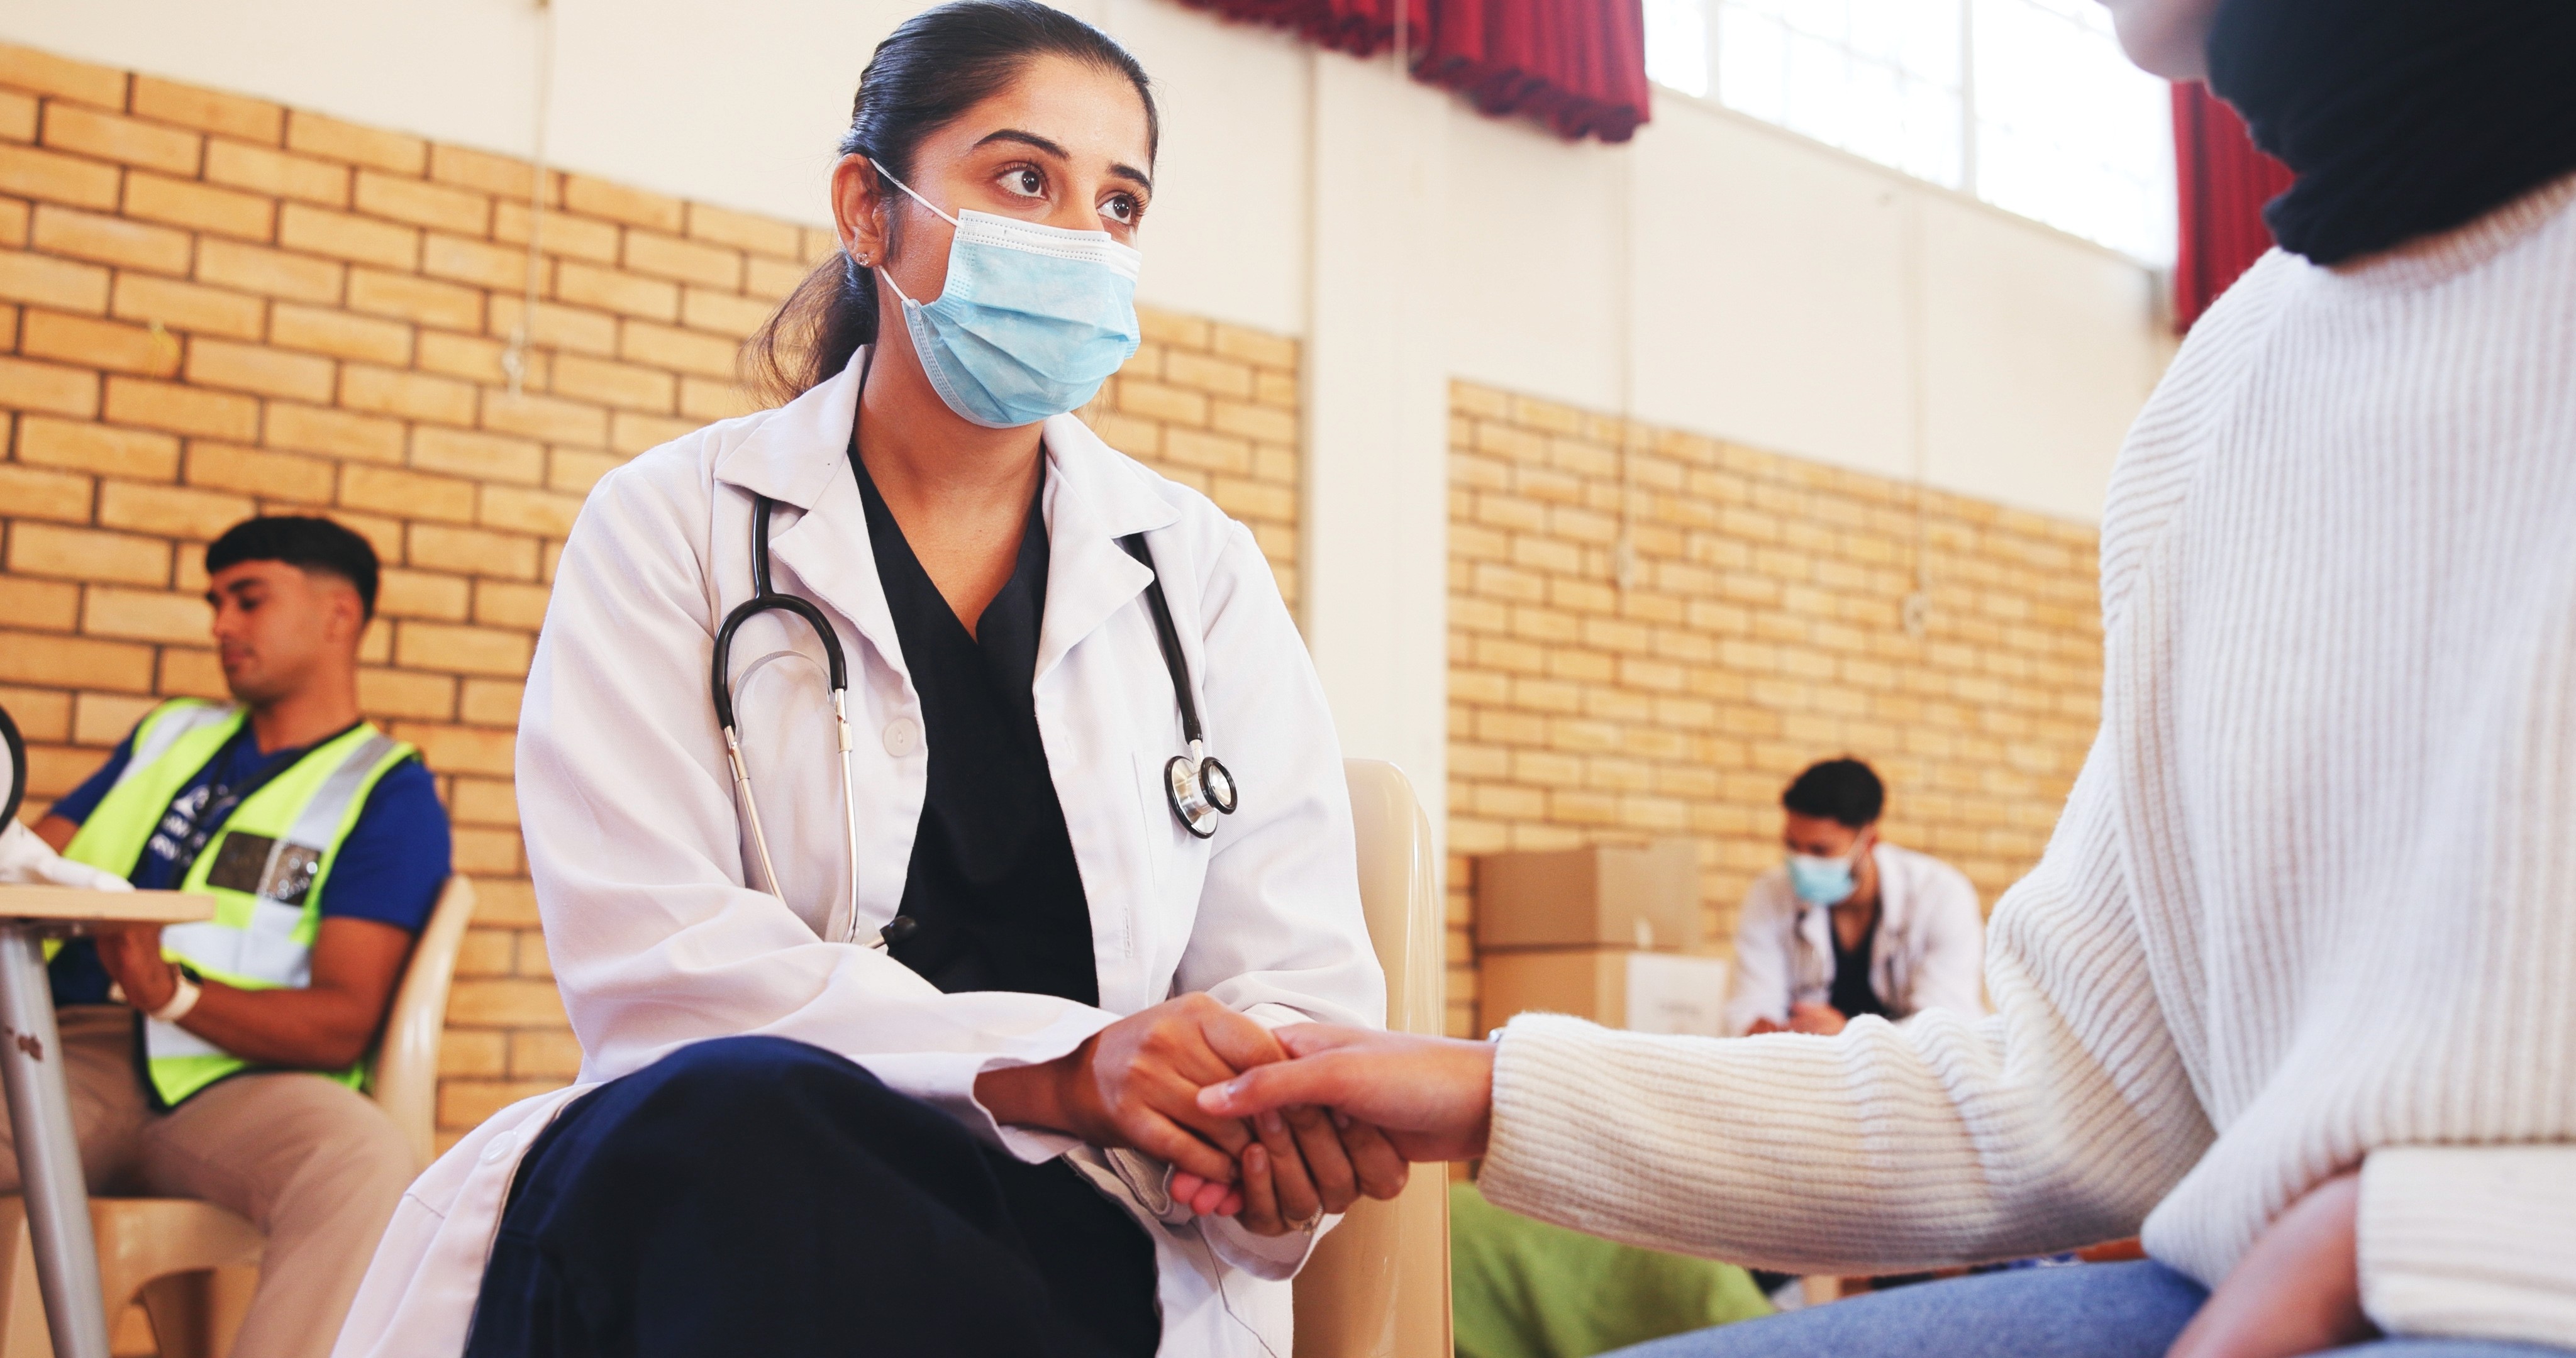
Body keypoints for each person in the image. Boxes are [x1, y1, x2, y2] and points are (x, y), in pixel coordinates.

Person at [1197, 0, 2576, 1355]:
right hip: (2247, 1277)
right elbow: (2063, 1098)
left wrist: (2447, 1231)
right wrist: (1488, 1087)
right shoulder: (2222, 388)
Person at [333, 6, 1402, 1357]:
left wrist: (1261, 1114)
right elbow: (656, 964)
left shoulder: (1196, 571)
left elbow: (1292, 975)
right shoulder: (673, 525)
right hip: (735, 1191)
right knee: (744, 1127)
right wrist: (1062, 1070)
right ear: (867, 209)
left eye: (1119, 203)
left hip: (1101, 1232)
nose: (1080, 237)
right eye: (1025, 179)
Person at [0, 516, 448, 1358]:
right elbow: (27, 858)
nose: (220, 625)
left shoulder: (388, 792)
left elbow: (342, 1023)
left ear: (339, 615)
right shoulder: (170, 735)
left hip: (238, 1086)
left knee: (363, 1159)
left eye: (248, 600)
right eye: (215, 603)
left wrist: (173, 993)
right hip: (65, 1055)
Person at [1728, 758, 1983, 1038]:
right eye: (1792, 845)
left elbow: (1945, 1026)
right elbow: (1752, 1005)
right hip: (1807, 1061)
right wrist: (1757, 1028)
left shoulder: (1940, 896)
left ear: (1869, 842)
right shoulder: (1770, 895)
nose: (1801, 862)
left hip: (1906, 1065)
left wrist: (1851, 1036)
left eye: (1820, 850)